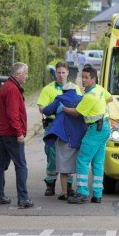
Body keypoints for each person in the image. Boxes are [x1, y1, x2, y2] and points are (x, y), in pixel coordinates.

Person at [62, 66, 112, 204]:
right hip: (105, 127)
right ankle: (97, 194)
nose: (83, 80)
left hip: (95, 129)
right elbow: (110, 98)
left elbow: (76, 112)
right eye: (82, 77)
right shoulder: (99, 89)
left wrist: (64, 108)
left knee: (82, 160)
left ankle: (82, 192)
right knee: (98, 162)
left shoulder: (90, 96)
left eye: (86, 78)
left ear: (93, 79)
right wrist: (99, 107)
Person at [37, 61, 81, 197]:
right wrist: (55, 108)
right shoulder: (48, 89)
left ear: (67, 73)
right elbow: (41, 108)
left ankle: (68, 186)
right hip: (53, 125)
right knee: (52, 155)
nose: (61, 75)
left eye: (63, 72)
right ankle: (50, 183)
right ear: (55, 73)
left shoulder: (74, 88)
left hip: (69, 126)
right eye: (59, 72)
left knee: (68, 155)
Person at [0, 62, 34, 209]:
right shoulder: (12, 89)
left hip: (4, 132)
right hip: (11, 133)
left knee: (0, 165)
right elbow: (13, 114)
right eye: (25, 73)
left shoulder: (7, 86)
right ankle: (23, 198)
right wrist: (19, 132)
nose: (27, 76)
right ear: (18, 74)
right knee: (21, 166)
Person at [42, 82, 87, 200]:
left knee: (63, 166)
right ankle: (80, 191)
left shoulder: (60, 99)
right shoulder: (82, 99)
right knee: (80, 165)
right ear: (75, 90)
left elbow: (46, 111)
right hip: (81, 137)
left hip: (65, 136)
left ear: (64, 91)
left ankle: (64, 193)